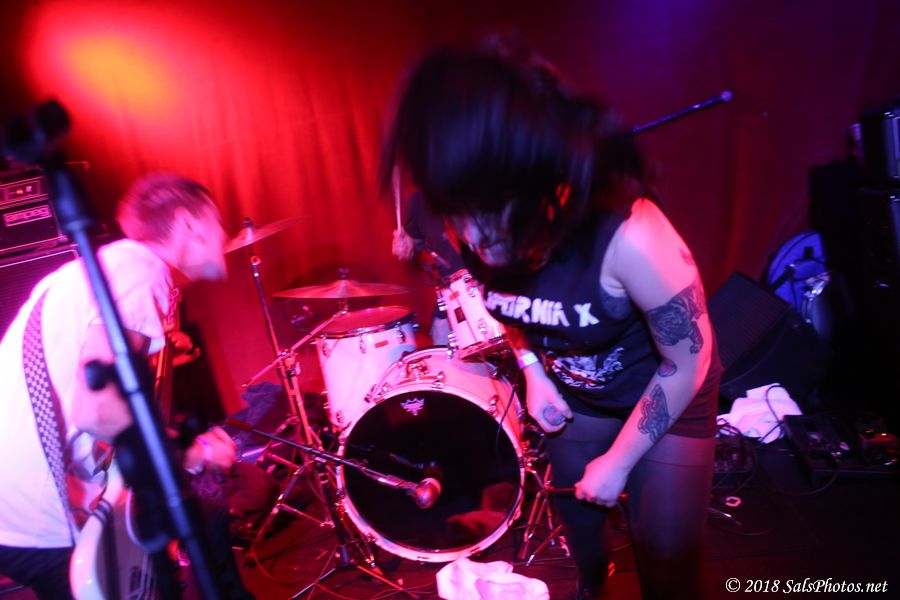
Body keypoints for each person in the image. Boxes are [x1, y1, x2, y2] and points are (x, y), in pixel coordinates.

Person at [381, 40, 721, 599]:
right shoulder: (472, 227)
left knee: (666, 559)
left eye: (486, 218)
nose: (472, 240)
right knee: (582, 534)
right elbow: (512, 308)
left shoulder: (630, 233)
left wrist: (618, 462)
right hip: (579, 394)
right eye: (459, 218)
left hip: (665, 390)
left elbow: (687, 360)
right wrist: (533, 371)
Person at [0, 173, 252, 599]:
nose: (226, 236)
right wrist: (197, 453)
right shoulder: (142, 270)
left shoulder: (103, 268)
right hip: (41, 513)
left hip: (15, 500)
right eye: (218, 222)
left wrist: (161, 344)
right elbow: (98, 412)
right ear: (188, 223)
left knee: (205, 521)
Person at [391, 190, 464, 344]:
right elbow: (416, 243)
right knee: (440, 335)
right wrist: (407, 246)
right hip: (452, 291)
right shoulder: (418, 200)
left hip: (492, 280)